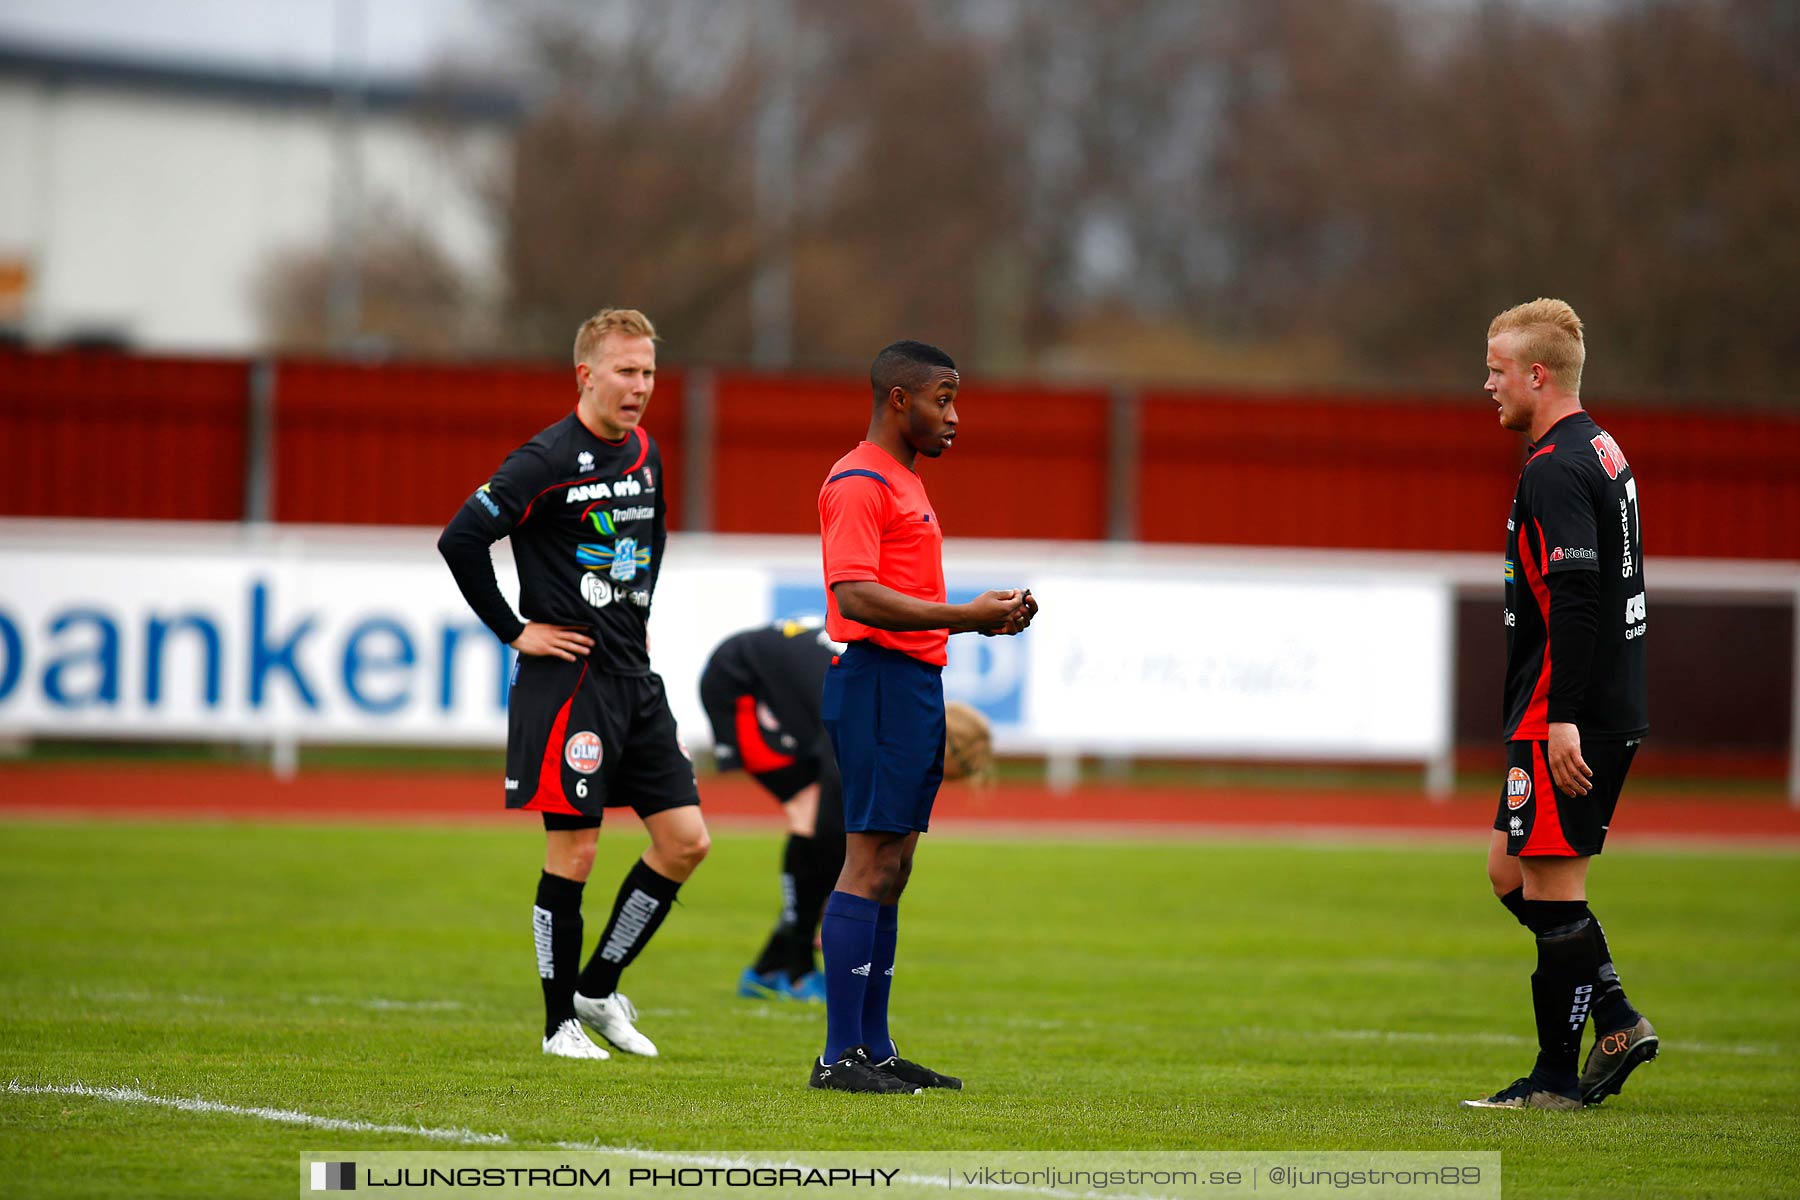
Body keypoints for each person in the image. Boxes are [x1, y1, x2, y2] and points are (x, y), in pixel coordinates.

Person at [437, 307, 709, 1061]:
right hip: (569, 685)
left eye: (649, 372)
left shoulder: (647, 452)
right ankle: (560, 1024)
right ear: (586, 375)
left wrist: (637, 618)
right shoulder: (544, 459)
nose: (641, 387)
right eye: (627, 371)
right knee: (576, 855)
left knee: (686, 842)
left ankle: (600, 985)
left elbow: (649, 544)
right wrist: (514, 629)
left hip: (634, 680)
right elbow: (460, 539)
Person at [808, 339, 1037, 1094]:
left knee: (896, 867)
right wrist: (967, 617)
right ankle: (837, 1057)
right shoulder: (857, 481)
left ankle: (874, 1047)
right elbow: (855, 595)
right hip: (877, 680)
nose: (954, 416)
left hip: (911, 685)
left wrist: (984, 617)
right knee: (868, 861)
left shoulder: (902, 480)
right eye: (944, 399)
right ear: (899, 400)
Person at [1462, 299, 1655, 1110]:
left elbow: (1577, 593)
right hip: (1588, 700)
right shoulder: (1600, 449)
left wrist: (1563, 714)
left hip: (1564, 708)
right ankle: (1614, 1014)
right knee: (1511, 871)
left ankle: (1553, 1082)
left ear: (1537, 374)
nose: (1487, 385)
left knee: (1550, 889)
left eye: (1498, 371)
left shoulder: (1553, 467)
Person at [699, 617, 846, 1003]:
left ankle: (766, 970)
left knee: (826, 827)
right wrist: (835, 903)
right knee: (812, 814)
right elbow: (833, 825)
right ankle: (797, 971)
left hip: (780, 688)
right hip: (739, 683)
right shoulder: (852, 699)